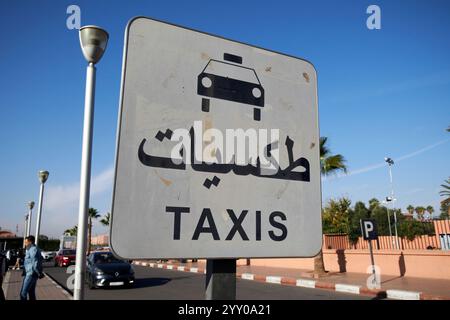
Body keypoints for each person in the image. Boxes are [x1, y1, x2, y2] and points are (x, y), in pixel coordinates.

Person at [20, 236, 44, 301]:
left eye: (26, 242)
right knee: (31, 293)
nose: (25, 244)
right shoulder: (33, 248)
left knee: (23, 293)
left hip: (31, 274)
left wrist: (39, 273)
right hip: (32, 273)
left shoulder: (33, 249)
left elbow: (35, 263)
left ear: (30, 242)